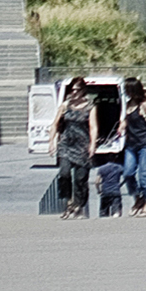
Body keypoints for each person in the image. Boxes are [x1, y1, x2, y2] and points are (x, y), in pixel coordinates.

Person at [55, 79, 93, 218]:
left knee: (80, 178)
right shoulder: (65, 105)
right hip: (66, 143)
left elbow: (93, 127)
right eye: (72, 89)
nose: (74, 92)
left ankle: (79, 206)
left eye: (77, 89)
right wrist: (52, 141)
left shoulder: (90, 107)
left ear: (83, 90)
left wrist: (93, 144)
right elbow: (55, 123)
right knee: (64, 173)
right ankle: (69, 203)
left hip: (82, 145)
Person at [118, 93, 146, 219]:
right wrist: (122, 125)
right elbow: (125, 120)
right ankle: (138, 197)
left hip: (145, 144)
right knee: (128, 173)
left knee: (144, 175)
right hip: (131, 144)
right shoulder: (127, 105)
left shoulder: (144, 105)